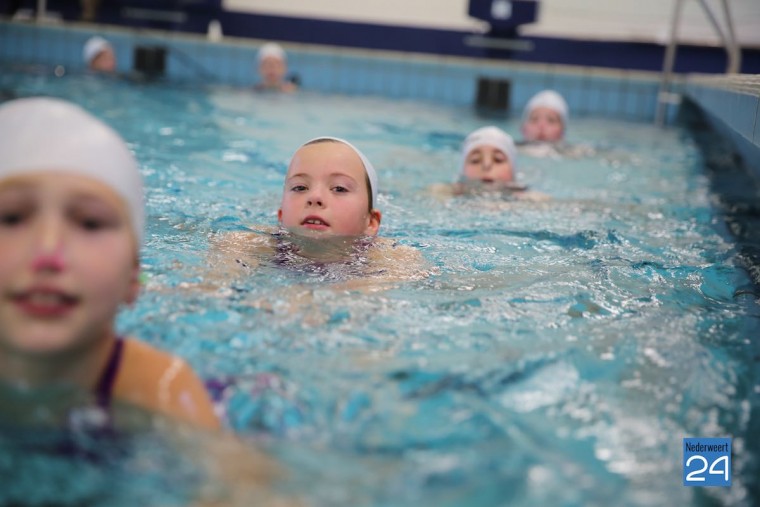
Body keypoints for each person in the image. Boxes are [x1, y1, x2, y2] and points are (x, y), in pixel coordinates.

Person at [0, 97, 219, 431]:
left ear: (133, 277)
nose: (48, 253)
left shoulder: (160, 393)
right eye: (11, 218)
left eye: (89, 223)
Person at [204, 137, 428, 306]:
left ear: (371, 223)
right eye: (300, 187)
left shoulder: (394, 258)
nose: (315, 197)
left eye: (339, 188)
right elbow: (211, 291)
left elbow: (365, 306)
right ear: (281, 216)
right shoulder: (249, 244)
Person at [430, 126, 549, 202]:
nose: (486, 165)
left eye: (498, 159)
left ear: (513, 171)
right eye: (475, 160)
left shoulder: (532, 201)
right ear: (462, 170)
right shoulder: (444, 194)